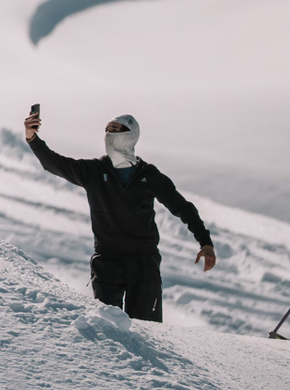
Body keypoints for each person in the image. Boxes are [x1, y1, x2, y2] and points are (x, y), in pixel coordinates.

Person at [24, 109, 216, 321]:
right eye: (107, 130)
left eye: (115, 130)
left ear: (131, 135)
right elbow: (54, 163)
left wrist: (205, 242)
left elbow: (183, 207)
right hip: (107, 260)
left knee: (148, 329)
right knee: (108, 326)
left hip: (144, 262)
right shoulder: (94, 171)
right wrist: (33, 138)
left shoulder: (149, 175)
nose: (109, 134)